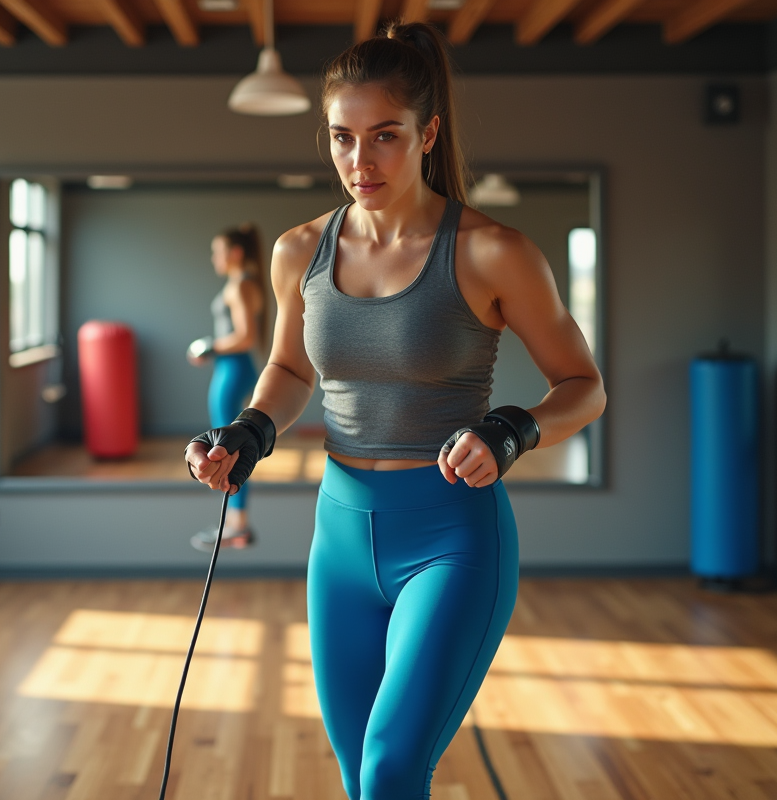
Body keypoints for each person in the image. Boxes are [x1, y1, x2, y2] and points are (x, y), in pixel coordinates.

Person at [185, 21, 605, 800]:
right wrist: (249, 429)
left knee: (389, 770)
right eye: (343, 138)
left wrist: (511, 430)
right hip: (340, 533)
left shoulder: (490, 251)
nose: (359, 160)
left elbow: (585, 386)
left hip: (451, 537)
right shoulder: (297, 250)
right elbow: (286, 366)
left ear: (428, 133)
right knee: (360, 778)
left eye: (384, 136)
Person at [186, 224, 269, 552]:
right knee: (227, 444)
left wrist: (210, 346)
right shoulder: (242, 284)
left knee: (230, 446)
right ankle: (236, 522)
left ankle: (237, 524)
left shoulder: (240, 287)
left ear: (235, 253)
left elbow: (245, 336)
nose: (213, 258)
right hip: (230, 369)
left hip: (234, 370)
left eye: (217, 251)